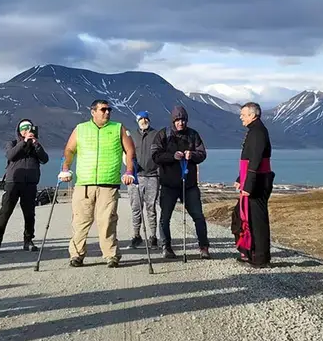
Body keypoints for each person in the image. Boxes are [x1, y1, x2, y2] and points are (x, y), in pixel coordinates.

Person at [59, 100, 136, 268]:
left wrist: (129, 171)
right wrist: (66, 168)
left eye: (109, 109)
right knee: (80, 221)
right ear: (93, 111)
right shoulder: (81, 129)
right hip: (84, 183)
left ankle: (111, 255)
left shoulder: (118, 128)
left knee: (107, 221)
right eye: (103, 109)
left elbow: (130, 150)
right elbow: (70, 149)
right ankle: (76, 255)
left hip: (108, 183)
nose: (107, 112)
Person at [151, 105, 210, 259]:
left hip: (189, 185)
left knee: (198, 216)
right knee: (165, 217)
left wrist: (193, 155)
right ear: (173, 121)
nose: (181, 123)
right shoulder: (163, 134)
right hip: (168, 185)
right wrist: (172, 156)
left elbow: (202, 154)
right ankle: (167, 247)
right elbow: (156, 156)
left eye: (183, 120)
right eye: (178, 120)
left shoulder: (193, 135)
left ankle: (204, 247)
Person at [0, 118, 49, 254]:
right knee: (5, 212)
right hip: (13, 182)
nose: (26, 130)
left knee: (29, 214)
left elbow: (45, 159)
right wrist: (23, 142)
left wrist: (36, 144)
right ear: (19, 131)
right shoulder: (12, 143)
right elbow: (11, 155)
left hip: (30, 183)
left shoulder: (36, 145)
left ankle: (28, 240)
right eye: (23, 128)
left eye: (29, 127)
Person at [233, 102, 274, 268]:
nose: (241, 117)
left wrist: (248, 185)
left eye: (243, 114)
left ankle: (260, 257)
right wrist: (239, 178)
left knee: (257, 220)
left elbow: (256, 161)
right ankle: (249, 251)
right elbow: (248, 160)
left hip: (257, 182)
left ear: (252, 115)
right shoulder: (254, 131)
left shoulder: (257, 132)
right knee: (244, 216)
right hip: (252, 180)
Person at [126, 111, 160, 249]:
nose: (144, 121)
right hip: (136, 177)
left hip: (153, 176)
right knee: (136, 208)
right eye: (141, 119)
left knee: (151, 208)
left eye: (146, 118)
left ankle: (153, 237)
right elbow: (125, 153)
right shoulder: (131, 136)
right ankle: (136, 236)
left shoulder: (157, 135)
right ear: (137, 120)